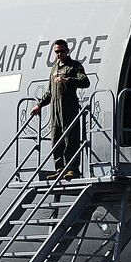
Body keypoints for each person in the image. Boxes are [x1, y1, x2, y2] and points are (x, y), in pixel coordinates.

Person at [29, 38, 91, 179]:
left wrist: (68, 80)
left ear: (67, 51)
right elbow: (50, 92)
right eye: (57, 52)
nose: (59, 54)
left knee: (70, 138)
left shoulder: (74, 66)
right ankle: (60, 169)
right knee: (56, 139)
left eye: (62, 51)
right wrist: (39, 105)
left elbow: (85, 82)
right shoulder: (54, 69)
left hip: (69, 108)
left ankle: (72, 168)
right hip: (55, 110)